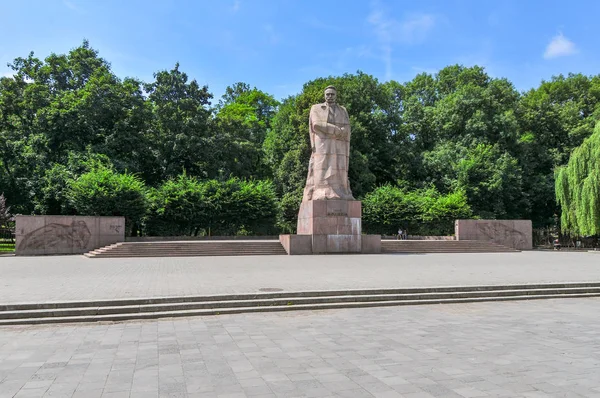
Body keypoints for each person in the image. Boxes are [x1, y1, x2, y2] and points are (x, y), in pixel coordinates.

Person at [302, 86, 354, 201]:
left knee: (339, 165)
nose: (330, 96)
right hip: (322, 143)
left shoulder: (342, 110)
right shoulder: (316, 108)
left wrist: (340, 131)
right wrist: (336, 130)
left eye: (332, 94)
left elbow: (347, 128)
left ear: (336, 96)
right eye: (328, 94)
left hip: (339, 144)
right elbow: (316, 125)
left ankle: (340, 191)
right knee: (322, 164)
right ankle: (320, 191)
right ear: (324, 95)